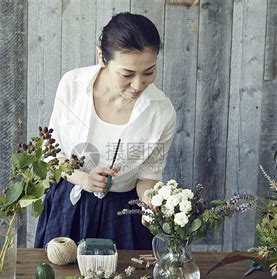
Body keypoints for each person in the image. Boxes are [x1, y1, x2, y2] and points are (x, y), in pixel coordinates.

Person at [34, 12, 176, 250]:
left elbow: (147, 177)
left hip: (123, 219)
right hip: (69, 207)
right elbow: (50, 153)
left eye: (149, 72)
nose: (138, 85)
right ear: (102, 56)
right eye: (127, 74)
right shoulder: (73, 85)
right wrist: (84, 179)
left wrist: (151, 203)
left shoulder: (162, 112)